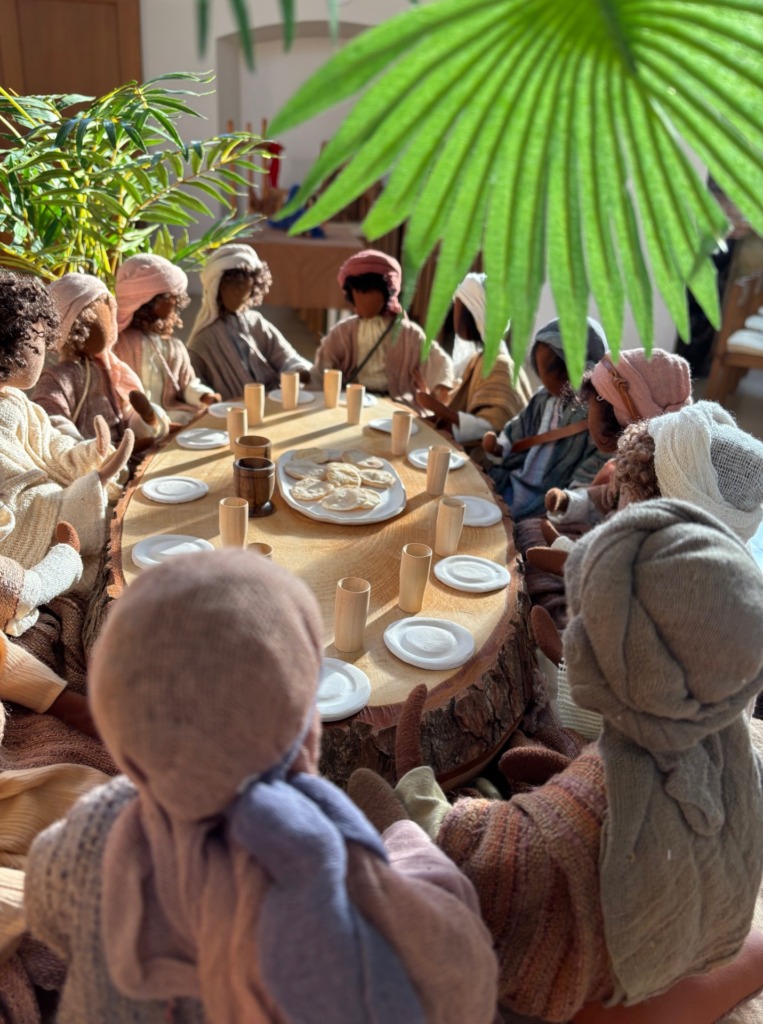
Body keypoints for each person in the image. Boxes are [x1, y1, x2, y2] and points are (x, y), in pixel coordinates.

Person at [25, 550, 499, 1024]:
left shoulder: (94, 832)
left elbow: (47, 908)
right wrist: (408, 844)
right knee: (429, 870)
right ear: (301, 712)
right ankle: (404, 831)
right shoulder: (328, 856)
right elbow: (461, 979)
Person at [393, 500, 763, 1021]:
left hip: (608, 975)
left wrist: (416, 790)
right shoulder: (736, 748)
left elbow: (484, 864)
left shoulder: (586, 808)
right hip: (710, 938)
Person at [0, 271, 132, 586]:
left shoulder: (15, 399)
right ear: (14, 344)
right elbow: (15, 507)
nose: (45, 349)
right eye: (38, 340)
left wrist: (90, 454)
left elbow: (50, 445)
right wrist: (89, 486)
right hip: (31, 561)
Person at [545, 346, 693, 526]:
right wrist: (568, 501)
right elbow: (608, 497)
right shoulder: (627, 462)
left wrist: (570, 548)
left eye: (592, 406)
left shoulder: (649, 475)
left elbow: (628, 534)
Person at [482, 318, 609, 520]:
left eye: (550, 369)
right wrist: (501, 446)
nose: (543, 377)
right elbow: (521, 426)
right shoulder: (542, 399)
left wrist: (570, 498)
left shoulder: (597, 410)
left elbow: (596, 462)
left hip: (550, 497)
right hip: (516, 479)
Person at [34, 273, 169, 448]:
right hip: (90, 461)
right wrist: (94, 451)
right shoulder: (58, 378)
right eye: (100, 321)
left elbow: (122, 414)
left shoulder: (108, 367)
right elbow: (53, 422)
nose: (108, 328)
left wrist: (145, 418)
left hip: (123, 450)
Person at [313, 249, 453, 400]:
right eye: (358, 292)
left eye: (369, 291)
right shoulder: (345, 331)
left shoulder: (406, 333)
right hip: (351, 399)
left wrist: (441, 386)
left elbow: (437, 359)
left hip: (392, 402)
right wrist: (313, 381)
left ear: (387, 293)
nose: (364, 299)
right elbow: (324, 363)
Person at [414, 272, 532, 448]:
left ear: (475, 314)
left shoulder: (499, 365)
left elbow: (493, 428)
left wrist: (442, 412)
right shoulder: (479, 359)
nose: (454, 313)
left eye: (459, 308)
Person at [187, 244, 312, 400]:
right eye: (232, 287)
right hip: (233, 407)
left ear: (254, 287)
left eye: (244, 287)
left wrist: (299, 370)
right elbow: (192, 380)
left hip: (272, 398)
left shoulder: (256, 322)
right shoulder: (204, 339)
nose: (238, 294)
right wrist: (205, 396)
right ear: (216, 289)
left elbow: (284, 356)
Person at [114, 254, 219, 425]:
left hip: (176, 415)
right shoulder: (121, 344)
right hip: (135, 421)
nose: (175, 302)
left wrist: (204, 396)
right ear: (149, 301)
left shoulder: (173, 346)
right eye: (170, 296)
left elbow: (187, 384)